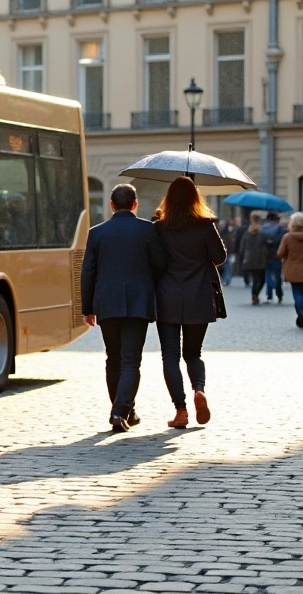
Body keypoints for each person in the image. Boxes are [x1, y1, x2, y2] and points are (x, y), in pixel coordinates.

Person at [80, 183, 169, 433]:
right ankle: (120, 411)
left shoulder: (97, 233)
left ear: (111, 205)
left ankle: (123, 410)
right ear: (135, 204)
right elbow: (161, 263)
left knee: (113, 359)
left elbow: (87, 273)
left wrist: (87, 308)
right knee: (131, 361)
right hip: (138, 302)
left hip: (106, 303)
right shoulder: (148, 230)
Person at [152, 177, 226, 429]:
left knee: (170, 356)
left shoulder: (159, 227)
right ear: (196, 198)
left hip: (167, 298)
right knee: (193, 353)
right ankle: (199, 390)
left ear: (168, 199)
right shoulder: (205, 225)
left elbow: (155, 260)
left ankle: (181, 411)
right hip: (199, 297)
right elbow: (219, 257)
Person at [277, 212, 303, 329]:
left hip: (292, 268)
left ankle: (299, 312)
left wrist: (287, 257)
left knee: (296, 292)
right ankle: (302, 310)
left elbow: (280, 253)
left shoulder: (287, 237)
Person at [235, 213, 272, 304]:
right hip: (261, 260)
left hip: (250, 259)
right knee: (261, 280)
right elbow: (269, 243)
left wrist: (243, 257)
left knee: (255, 279)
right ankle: (255, 295)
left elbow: (242, 247)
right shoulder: (262, 235)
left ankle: (254, 296)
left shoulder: (246, 235)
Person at [261, 212, 287, 304]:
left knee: (268, 274)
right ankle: (279, 294)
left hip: (265, 255)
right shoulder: (280, 229)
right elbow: (281, 241)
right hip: (276, 254)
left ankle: (269, 295)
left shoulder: (261, 229)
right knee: (277, 275)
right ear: (276, 220)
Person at [217, 218, 237, 285]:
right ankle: (227, 279)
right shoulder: (228, 233)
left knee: (225, 266)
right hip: (227, 251)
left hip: (223, 251)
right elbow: (231, 243)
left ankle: (226, 279)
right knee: (227, 266)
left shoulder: (221, 233)